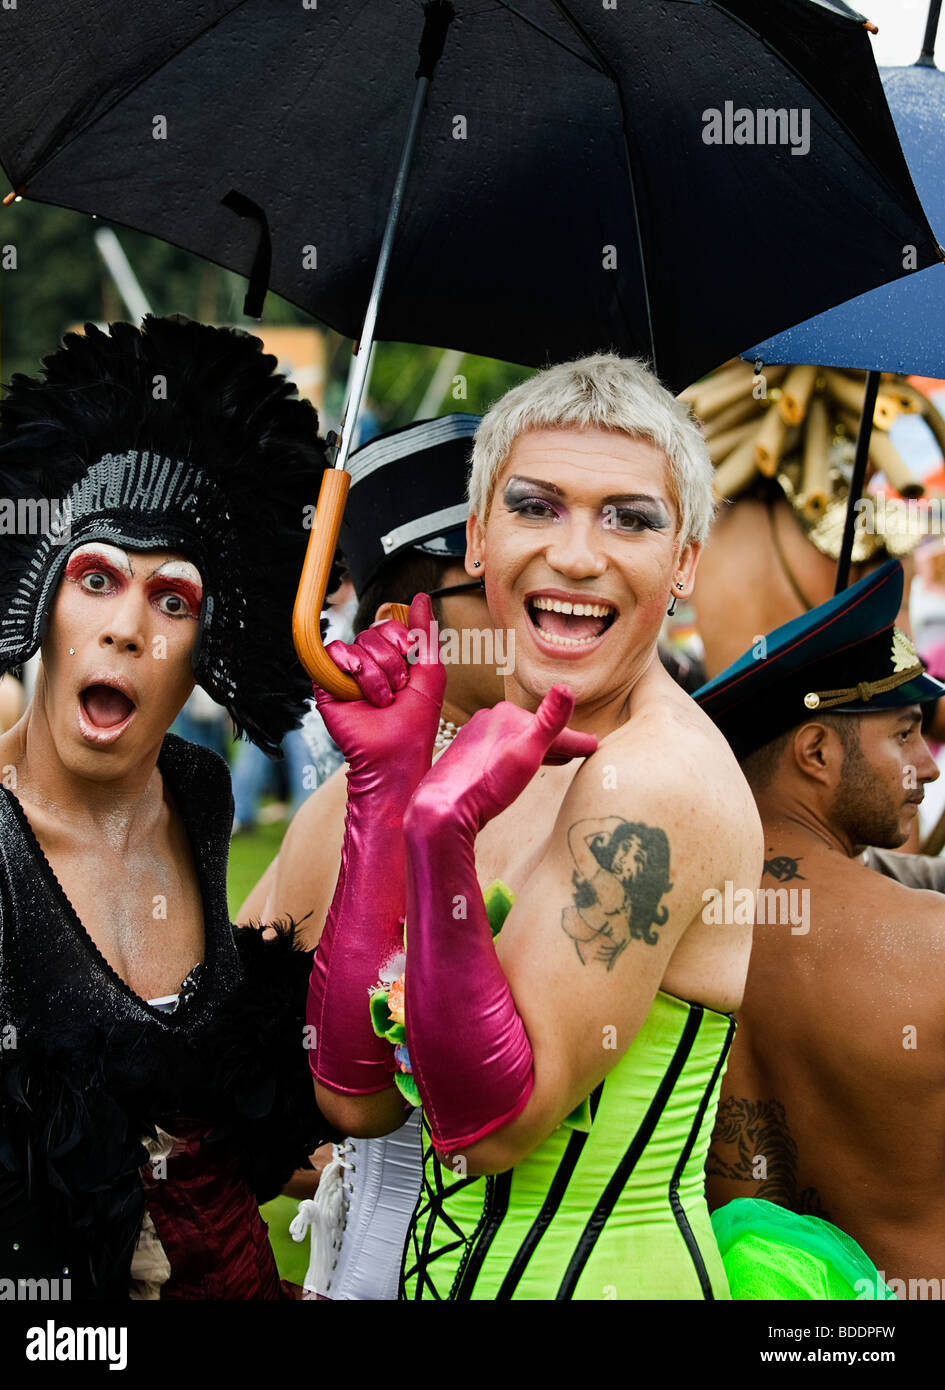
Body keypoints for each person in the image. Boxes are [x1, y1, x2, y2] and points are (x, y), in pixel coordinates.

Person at [303, 355, 766, 1300]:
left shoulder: (654, 779)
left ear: (682, 563)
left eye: (629, 518)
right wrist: (387, 786)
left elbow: (492, 1131)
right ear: (477, 539)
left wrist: (436, 838)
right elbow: (351, 1092)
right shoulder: (488, 751)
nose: (578, 554)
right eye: (536, 506)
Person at [0, 316, 333, 1300]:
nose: (127, 629)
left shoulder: (197, 788)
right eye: (97, 579)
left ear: (209, 646)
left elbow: (205, 1098)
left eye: (173, 599)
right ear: (41, 597)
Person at [239, 414, 507, 1300]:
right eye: (501, 581)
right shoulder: (358, 812)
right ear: (405, 621)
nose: (549, 601)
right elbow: (238, 1073)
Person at [696, 560, 945, 1295]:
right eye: (903, 734)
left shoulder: (659, 936)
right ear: (814, 753)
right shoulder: (930, 945)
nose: (926, 767)